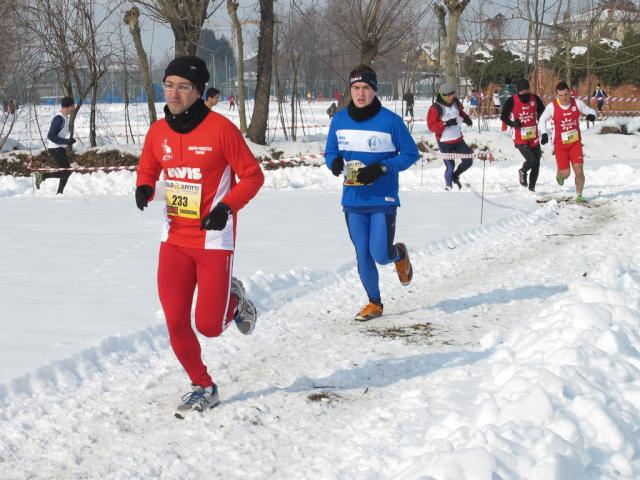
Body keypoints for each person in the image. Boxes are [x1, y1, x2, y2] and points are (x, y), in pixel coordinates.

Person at [135, 56, 264, 416]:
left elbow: (253, 176)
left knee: (208, 326)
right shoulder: (158, 131)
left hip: (213, 240)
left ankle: (234, 302)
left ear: (199, 91)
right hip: (174, 238)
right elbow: (148, 165)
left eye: (184, 87)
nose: (174, 93)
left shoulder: (221, 130)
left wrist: (226, 207)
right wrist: (144, 187)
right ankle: (203, 385)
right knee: (175, 319)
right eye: (169, 85)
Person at [324, 64, 418, 322]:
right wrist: (333, 163)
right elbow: (330, 151)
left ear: (375, 90)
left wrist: (383, 167)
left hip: (382, 198)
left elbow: (411, 154)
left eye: (366, 87)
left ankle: (398, 255)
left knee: (380, 253)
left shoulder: (391, 121)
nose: (361, 93)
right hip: (353, 199)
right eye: (356, 88)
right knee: (362, 253)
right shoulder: (340, 120)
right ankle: (374, 303)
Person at [538, 80, 596, 203]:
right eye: (560, 95)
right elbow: (542, 119)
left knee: (579, 171)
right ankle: (560, 173)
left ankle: (579, 195)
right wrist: (544, 133)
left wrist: (592, 115)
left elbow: (591, 111)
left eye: (565, 94)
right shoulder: (552, 107)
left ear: (569, 92)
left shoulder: (577, 103)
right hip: (560, 145)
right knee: (566, 174)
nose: (564, 98)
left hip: (575, 143)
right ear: (557, 95)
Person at [500, 78, 545, 192]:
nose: (525, 94)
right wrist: (512, 123)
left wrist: (539, 118)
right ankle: (523, 171)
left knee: (537, 162)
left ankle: (532, 188)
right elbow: (503, 116)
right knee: (531, 160)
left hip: (533, 135)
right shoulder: (512, 100)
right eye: (522, 92)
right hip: (520, 137)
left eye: (527, 91)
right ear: (518, 92)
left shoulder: (534, 98)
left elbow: (543, 111)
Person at [427, 82, 474, 191]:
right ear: (443, 95)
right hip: (444, 142)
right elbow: (431, 126)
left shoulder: (455, 102)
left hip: (458, 139)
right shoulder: (435, 108)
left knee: (468, 161)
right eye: (449, 95)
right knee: (450, 166)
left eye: (452, 95)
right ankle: (448, 187)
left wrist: (466, 118)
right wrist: (445, 124)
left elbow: (460, 112)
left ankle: (455, 176)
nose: (451, 97)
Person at [35, 96, 77, 194]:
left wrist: (68, 140)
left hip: (59, 148)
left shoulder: (64, 118)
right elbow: (50, 135)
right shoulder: (59, 118)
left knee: (66, 171)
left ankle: (59, 192)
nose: (73, 109)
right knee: (66, 171)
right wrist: (66, 142)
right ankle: (43, 176)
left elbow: (59, 134)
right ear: (67, 107)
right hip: (55, 148)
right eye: (72, 107)